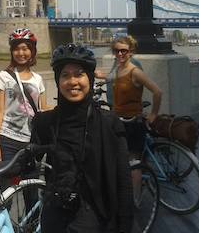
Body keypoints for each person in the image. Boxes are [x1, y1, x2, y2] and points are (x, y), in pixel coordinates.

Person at [34, 43, 133, 232]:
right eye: (65, 75)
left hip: (95, 217)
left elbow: (124, 183)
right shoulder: (46, 122)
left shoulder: (108, 124)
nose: (72, 82)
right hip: (55, 216)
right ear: (57, 81)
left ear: (90, 79)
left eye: (79, 74)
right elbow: (26, 160)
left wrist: (125, 225)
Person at [107, 36, 162, 203]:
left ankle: (135, 202)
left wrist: (153, 114)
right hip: (120, 121)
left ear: (131, 51)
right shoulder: (118, 69)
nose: (120, 54)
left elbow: (157, 91)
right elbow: (110, 78)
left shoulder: (135, 71)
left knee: (134, 162)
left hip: (133, 123)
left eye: (124, 50)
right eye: (116, 50)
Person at [0, 28, 46, 165]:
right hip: (8, 138)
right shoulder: (3, 77)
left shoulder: (38, 79)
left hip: (32, 140)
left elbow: (43, 109)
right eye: (16, 49)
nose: (21, 53)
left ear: (32, 51)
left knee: (31, 177)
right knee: (8, 177)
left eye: (25, 49)